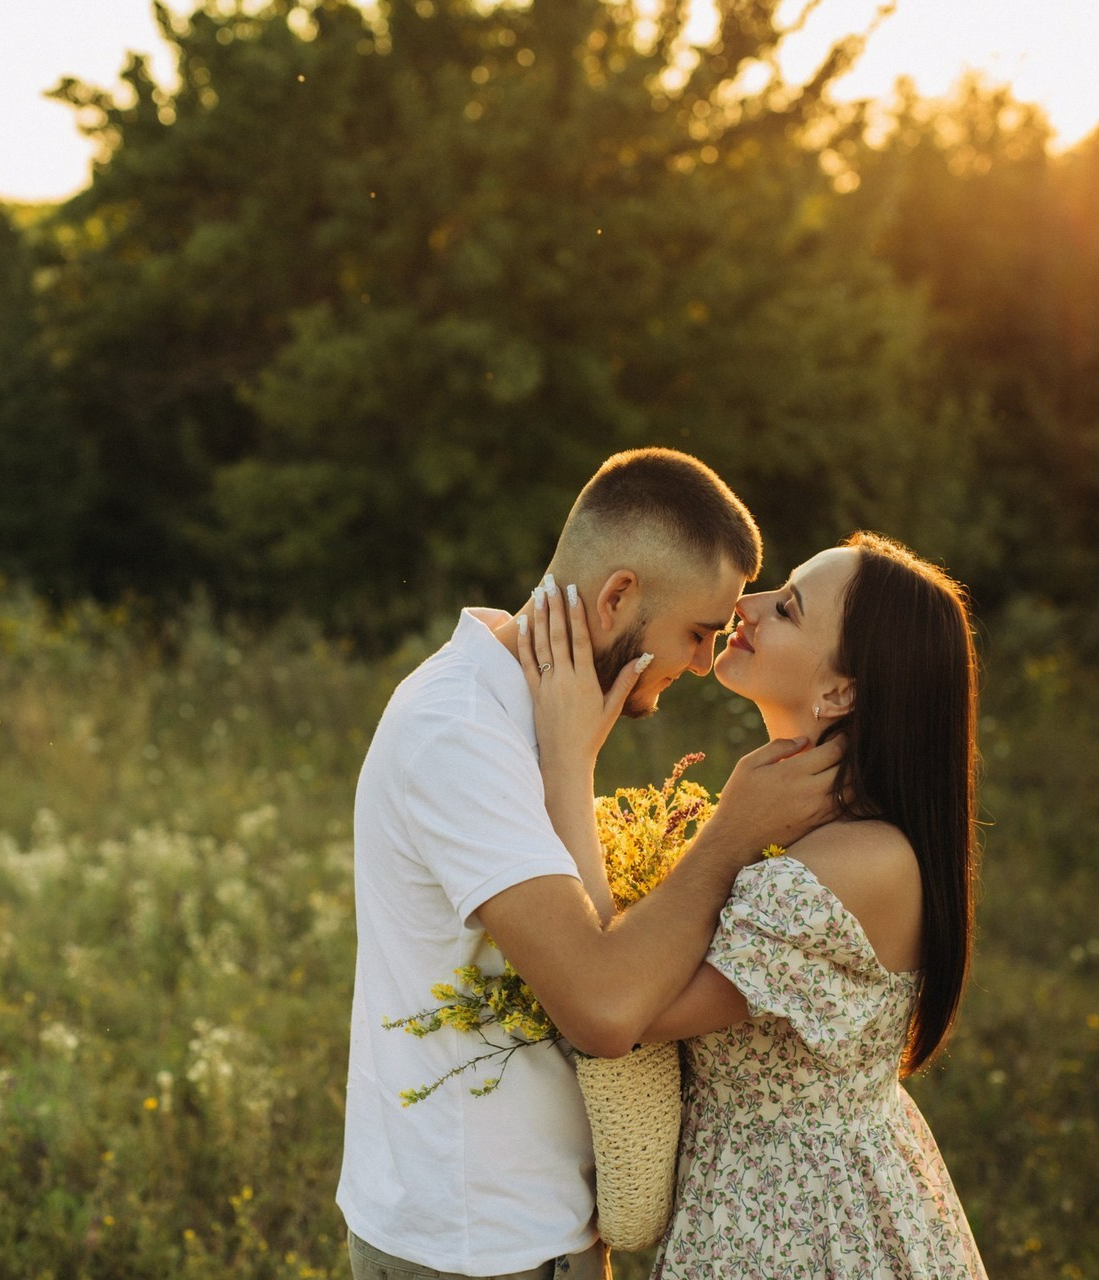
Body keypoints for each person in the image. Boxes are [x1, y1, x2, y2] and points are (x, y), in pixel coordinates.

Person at [337, 448, 845, 1280]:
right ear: (618, 597)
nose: (701, 662)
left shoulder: (534, 714)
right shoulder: (461, 733)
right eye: (697, 632)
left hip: (533, 1228)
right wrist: (729, 835)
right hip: (476, 1243)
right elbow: (603, 1007)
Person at [522, 530, 988, 1278]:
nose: (749, 603)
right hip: (747, 1200)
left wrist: (571, 759)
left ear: (840, 692)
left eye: (791, 608)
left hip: (806, 1223)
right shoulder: (791, 829)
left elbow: (618, 1005)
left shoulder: (859, 862)